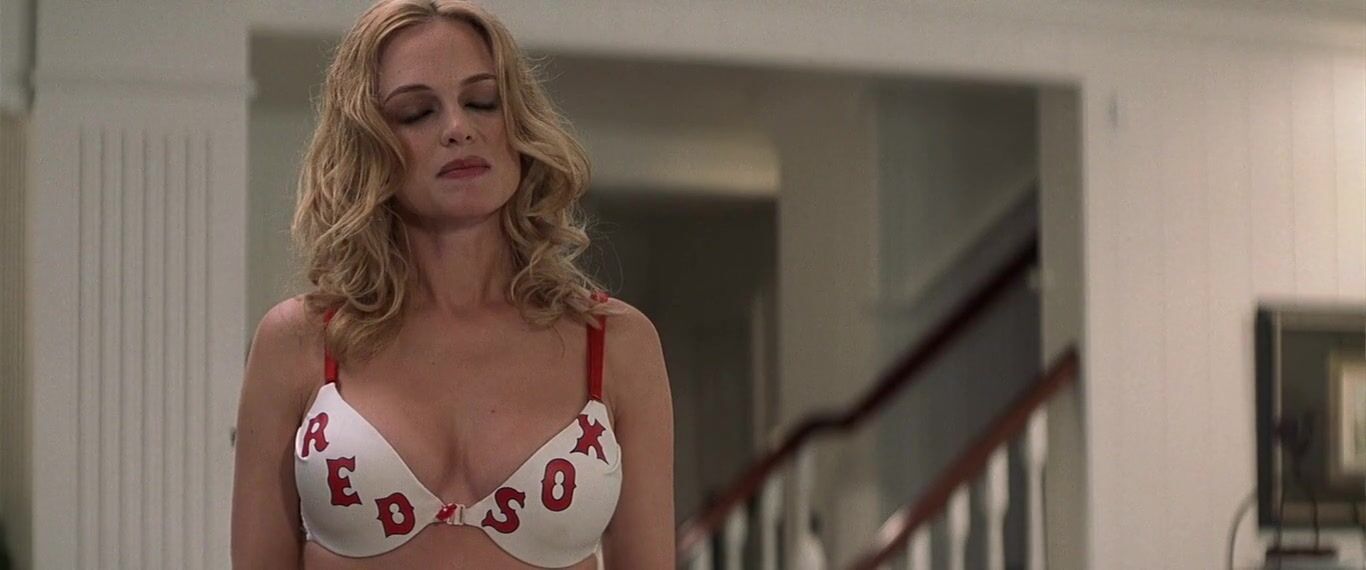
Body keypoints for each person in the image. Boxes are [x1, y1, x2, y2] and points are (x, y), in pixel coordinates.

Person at [230, 1, 675, 568]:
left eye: (482, 102)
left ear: (517, 122)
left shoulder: (616, 343)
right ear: (369, 144)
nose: (458, 128)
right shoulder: (298, 341)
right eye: (417, 112)